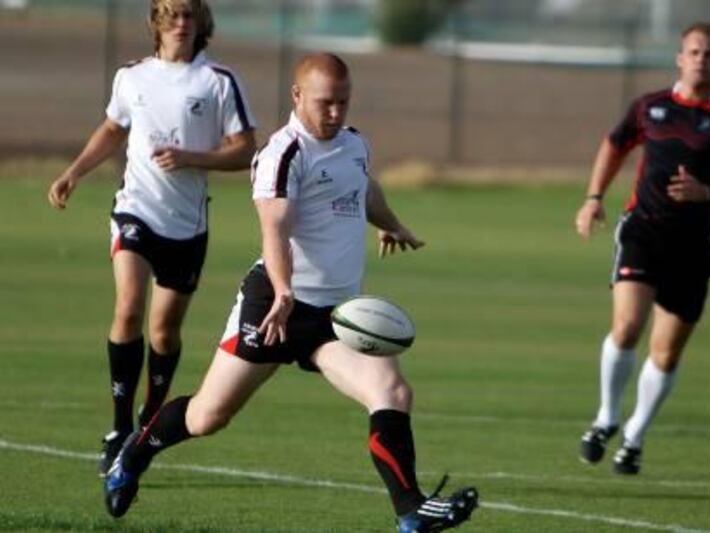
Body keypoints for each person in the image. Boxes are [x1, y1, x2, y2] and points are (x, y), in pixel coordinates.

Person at [102, 52, 479, 531]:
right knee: (208, 416)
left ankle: (410, 511)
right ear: (297, 96)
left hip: (337, 316)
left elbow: (363, 190)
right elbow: (273, 231)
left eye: (344, 102)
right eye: (326, 103)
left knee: (392, 391)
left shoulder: (354, 144)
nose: (336, 113)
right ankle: (134, 453)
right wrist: (282, 292)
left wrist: (392, 224)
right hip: (274, 307)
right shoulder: (282, 154)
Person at [47, 0, 257, 476]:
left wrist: (191, 158)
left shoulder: (218, 81)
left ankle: (147, 425)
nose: (181, 23)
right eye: (171, 14)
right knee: (128, 307)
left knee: (164, 331)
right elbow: (112, 129)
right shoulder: (132, 77)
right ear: (156, 21)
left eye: (189, 15)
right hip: (135, 210)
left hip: (187, 226)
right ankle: (119, 427)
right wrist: (73, 173)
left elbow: (245, 149)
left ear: (202, 21)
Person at [574, 22, 710, 475]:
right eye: (694, 51)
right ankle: (605, 418)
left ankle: (634, 437)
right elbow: (613, 146)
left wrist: (709, 193)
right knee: (627, 325)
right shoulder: (650, 107)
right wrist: (593, 198)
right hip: (643, 231)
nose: (701, 59)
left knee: (666, 353)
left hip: (693, 247)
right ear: (680, 57)